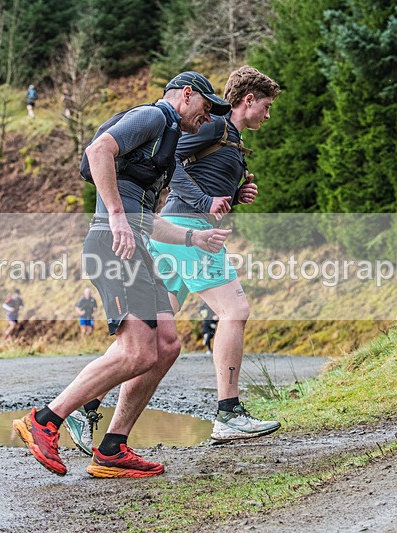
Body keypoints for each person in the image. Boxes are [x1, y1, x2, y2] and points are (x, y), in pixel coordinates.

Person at [13, 71, 232, 478]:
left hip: (136, 245)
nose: (209, 117)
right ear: (186, 95)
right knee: (137, 352)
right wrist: (115, 215)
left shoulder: (166, 142)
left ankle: (113, 447)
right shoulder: (155, 116)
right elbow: (98, 150)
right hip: (112, 245)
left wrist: (192, 239)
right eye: (207, 107)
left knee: (165, 346)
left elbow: (146, 219)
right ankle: (45, 420)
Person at [148, 66, 282, 443]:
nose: (268, 115)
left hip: (177, 231)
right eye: (266, 106)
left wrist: (235, 196)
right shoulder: (213, 125)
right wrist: (206, 200)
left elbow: (200, 174)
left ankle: (86, 403)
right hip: (188, 230)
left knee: (152, 334)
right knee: (235, 311)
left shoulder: (230, 136)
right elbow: (168, 161)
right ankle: (229, 413)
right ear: (248, 99)